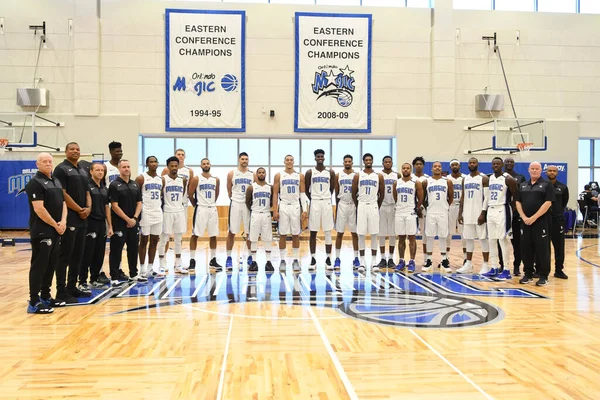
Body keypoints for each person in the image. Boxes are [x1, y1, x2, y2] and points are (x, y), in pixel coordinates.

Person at [25, 153, 68, 313]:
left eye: (50, 161)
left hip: (57, 230)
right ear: (38, 164)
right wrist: (55, 225)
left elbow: (63, 204)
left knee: (51, 265)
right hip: (42, 231)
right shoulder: (34, 183)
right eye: (44, 162)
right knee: (39, 266)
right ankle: (34, 301)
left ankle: (46, 296)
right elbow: (39, 209)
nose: (48, 164)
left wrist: (63, 222)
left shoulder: (55, 181)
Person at [53, 142, 92, 301]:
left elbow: (87, 192)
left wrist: (88, 208)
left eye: (77, 149)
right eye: (72, 149)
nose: (75, 151)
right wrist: (78, 209)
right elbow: (62, 193)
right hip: (70, 218)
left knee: (78, 256)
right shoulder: (61, 169)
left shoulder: (83, 170)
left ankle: (72, 287)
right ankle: (61, 292)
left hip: (83, 219)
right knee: (65, 257)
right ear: (66, 151)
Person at [516, 162, 555, 286]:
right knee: (526, 249)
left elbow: (548, 203)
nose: (534, 171)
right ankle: (528, 274)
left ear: (540, 171)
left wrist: (533, 217)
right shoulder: (522, 185)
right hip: (525, 223)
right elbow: (518, 202)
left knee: (542, 249)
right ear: (528, 170)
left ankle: (543, 276)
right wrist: (523, 217)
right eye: (532, 169)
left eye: (536, 169)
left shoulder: (547, 185)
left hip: (541, 223)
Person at [108, 159, 146, 284]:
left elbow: (139, 203)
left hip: (133, 223)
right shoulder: (114, 185)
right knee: (116, 250)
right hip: (120, 223)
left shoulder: (135, 184)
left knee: (133, 248)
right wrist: (127, 219)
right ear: (119, 168)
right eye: (124, 167)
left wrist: (134, 218)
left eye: (128, 166)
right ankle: (114, 276)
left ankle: (133, 274)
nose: (126, 169)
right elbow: (114, 205)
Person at [79, 162, 113, 289]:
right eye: (97, 170)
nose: (100, 172)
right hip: (90, 223)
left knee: (99, 253)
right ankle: (82, 281)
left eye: (102, 170)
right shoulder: (87, 186)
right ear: (91, 172)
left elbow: (107, 208)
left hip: (101, 223)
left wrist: (110, 226)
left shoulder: (104, 188)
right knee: (87, 253)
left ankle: (94, 279)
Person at [273, 155, 308, 272]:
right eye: (287, 160)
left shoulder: (300, 176)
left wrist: (305, 210)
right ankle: (282, 260)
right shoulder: (279, 175)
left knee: (295, 234)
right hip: (283, 205)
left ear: (294, 162)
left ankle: (295, 260)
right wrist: (274, 210)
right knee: (282, 234)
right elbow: (275, 194)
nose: (289, 161)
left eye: (291, 160)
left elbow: (303, 194)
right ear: (284, 162)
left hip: (295, 205)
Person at [484, 157, 517, 280]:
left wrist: (510, 211)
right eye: (494, 163)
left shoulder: (508, 179)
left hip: (502, 209)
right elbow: (486, 197)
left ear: (502, 165)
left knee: (502, 240)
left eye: (498, 163)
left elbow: (515, 196)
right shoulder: (489, 178)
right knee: (491, 240)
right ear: (491, 165)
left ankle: (507, 269)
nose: (496, 165)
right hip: (491, 210)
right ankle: (494, 267)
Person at [352, 153, 385, 272]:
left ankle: (374, 261)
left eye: (370, 159)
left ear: (372, 161)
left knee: (374, 234)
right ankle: (362, 262)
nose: (368, 161)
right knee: (361, 234)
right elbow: (353, 193)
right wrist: (359, 205)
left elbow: (382, 194)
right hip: (361, 205)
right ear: (363, 161)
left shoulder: (378, 176)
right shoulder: (358, 175)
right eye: (366, 160)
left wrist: (376, 204)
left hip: (373, 205)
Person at [457, 157, 490, 275]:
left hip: (479, 214)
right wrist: (460, 212)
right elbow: (463, 197)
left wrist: (483, 213)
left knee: (483, 239)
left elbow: (487, 198)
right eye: (470, 163)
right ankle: (468, 263)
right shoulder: (464, 179)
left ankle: (485, 264)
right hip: (467, 213)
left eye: (474, 162)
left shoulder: (484, 178)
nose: (472, 164)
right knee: (468, 239)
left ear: (478, 164)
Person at [189, 158, 222, 272]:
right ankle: (192, 260)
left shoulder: (215, 179)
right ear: (201, 165)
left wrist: (211, 203)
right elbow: (190, 194)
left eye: (207, 163)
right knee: (195, 234)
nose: (206, 165)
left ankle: (213, 259)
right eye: (204, 163)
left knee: (213, 235)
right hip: (201, 209)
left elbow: (216, 193)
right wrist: (196, 205)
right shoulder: (196, 179)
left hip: (212, 208)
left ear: (210, 165)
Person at [305, 149, 335, 269]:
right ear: (315, 158)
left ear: (324, 157)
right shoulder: (310, 172)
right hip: (315, 202)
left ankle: (328, 258)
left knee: (328, 231)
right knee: (313, 231)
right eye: (318, 156)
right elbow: (307, 189)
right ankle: (313, 258)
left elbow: (332, 189)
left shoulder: (330, 172)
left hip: (327, 202)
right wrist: (313, 198)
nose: (320, 158)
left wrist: (325, 196)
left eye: (322, 156)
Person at [421, 161, 453, 272]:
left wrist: (444, 206)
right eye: (435, 166)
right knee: (429, 236)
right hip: (431, 212)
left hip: (443, 212)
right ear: (431, 169)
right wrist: (428, 207)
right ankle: (428, 260)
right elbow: (423, 198)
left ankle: (444, 260)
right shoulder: (426, 182)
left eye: (439, 166)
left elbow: (451, 197)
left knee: (443, 236)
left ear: (441, 169)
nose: (437, 168)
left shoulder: (447, 181)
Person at [158, 156, 188, 275]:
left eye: (176, 166)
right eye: (172, 166)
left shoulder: (183, 180)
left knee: (178, 239)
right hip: (167, 211)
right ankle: (161, 264)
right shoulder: (163, 179)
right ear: (168, 167)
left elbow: (183, 193)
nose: (174, 168)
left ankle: (178, 264)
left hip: (179, 211)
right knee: (164, 239)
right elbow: (160, 196)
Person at [393, 162, 424, 273]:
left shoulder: (416, 182)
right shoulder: (397, 183)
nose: (405, 170)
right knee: (401, 238)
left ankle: (411, 261)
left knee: (411, 238)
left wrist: (417, 207)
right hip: (399, 212)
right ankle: (401, 261)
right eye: (403, 168)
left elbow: (420, 197)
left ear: (410, 170)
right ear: (401, 170)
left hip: (410, 212)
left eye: (407, 168)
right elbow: (395, 197)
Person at [135, 156, 163, 277]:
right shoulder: (141, 178)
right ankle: (142, 269)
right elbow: (136, 196)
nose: (153, 164)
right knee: (144, 241)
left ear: (157, 164)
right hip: (146, 212)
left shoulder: (161, 179)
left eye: (155, 162)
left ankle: (151, 268)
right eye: (151, 162)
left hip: (158, 212)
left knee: (154, 241)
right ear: (147, 164)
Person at [226, 152, 254, 269]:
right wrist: (234, 199)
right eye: (242, 159)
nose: (244, 161)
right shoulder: (232, 173)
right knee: (232, 231)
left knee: (249, 232)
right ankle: (228, 258)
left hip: (247, 205)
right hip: (236, 203)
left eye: (246, 159)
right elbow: (229, 190)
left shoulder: (253, 174)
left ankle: (250, 256)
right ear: (239, 160)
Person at [245, 167, 274, 272]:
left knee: (267, 238)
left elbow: (271, 201)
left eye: (263, 172)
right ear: (256, 175)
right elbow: (247, 202)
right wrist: (254, 210)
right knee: (253, 238)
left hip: (266, 214)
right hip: (255, 214)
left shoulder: (270, 187)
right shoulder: (251, 187)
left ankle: (269, 262)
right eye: (259, 173)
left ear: (265, 174)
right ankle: (253, 262)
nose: (261, 174)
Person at [334, 155, 360, 269]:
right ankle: (337, 258)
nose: (347, 163)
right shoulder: (338, 175)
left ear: (352, 162)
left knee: (354, 233)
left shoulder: (357, 175)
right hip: (342, 204)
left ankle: (356, 258)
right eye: (346, 161)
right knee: (339, 233)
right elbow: (336, 192)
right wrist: (336, 207)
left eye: (349, 161)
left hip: (353, 205)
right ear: (343, 163)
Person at [503, 157, 526, 275]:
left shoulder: (520, 177)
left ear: (514, 164)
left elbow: (522, 196)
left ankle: (516, 266)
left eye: (511, 162)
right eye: (507, 162)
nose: (509, 163)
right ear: (504, 164)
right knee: (501, 241)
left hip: (516, 215)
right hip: (503, 213)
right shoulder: (499, 177)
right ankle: (502, 265)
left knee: (517, 242)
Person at [546, 165, 569, 279]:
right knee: (543, 246)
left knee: (559, 246)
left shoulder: (563, 187)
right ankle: (541, 269)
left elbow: (564, 202)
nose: (552, 173)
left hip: (557, 220)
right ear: (546, 172)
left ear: (557, 173)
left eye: (554, 171)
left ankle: (559, 270)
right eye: (550, 171)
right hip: (544, 220)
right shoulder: (542, 186)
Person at [376, 156, 398, 270]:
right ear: (382, 163)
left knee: (393, 233)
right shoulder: (378, 175)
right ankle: (383, 258)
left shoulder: (397, 175)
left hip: (393, 206)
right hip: (382, 206)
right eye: (386, 162)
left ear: (392, 163)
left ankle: (390, 258)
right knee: (382, 233)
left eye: (389, 162)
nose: (388, 163)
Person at [447, 160, 467, 263]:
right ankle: (445, 258)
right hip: (450, 206)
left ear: (459, 166)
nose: (455, 166)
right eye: (453, 165)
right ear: (450, 167)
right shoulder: (446, 179)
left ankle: (465, 258)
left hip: (461, 206)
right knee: (448, 233)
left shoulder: (465, 178)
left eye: (456, 164)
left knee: (464, 233)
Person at [412, 156, 429, 262]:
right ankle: (411, 259)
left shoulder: (427, 178)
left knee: (425, 233)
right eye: (416, 164)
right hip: (412, 209)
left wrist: (421, 206)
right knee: (412, 234)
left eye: (420, 164)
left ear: (423, 166)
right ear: (414, 166)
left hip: (424, 208)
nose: (418, 165)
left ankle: (426, 258)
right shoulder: (410, 178)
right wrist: (416, 208)